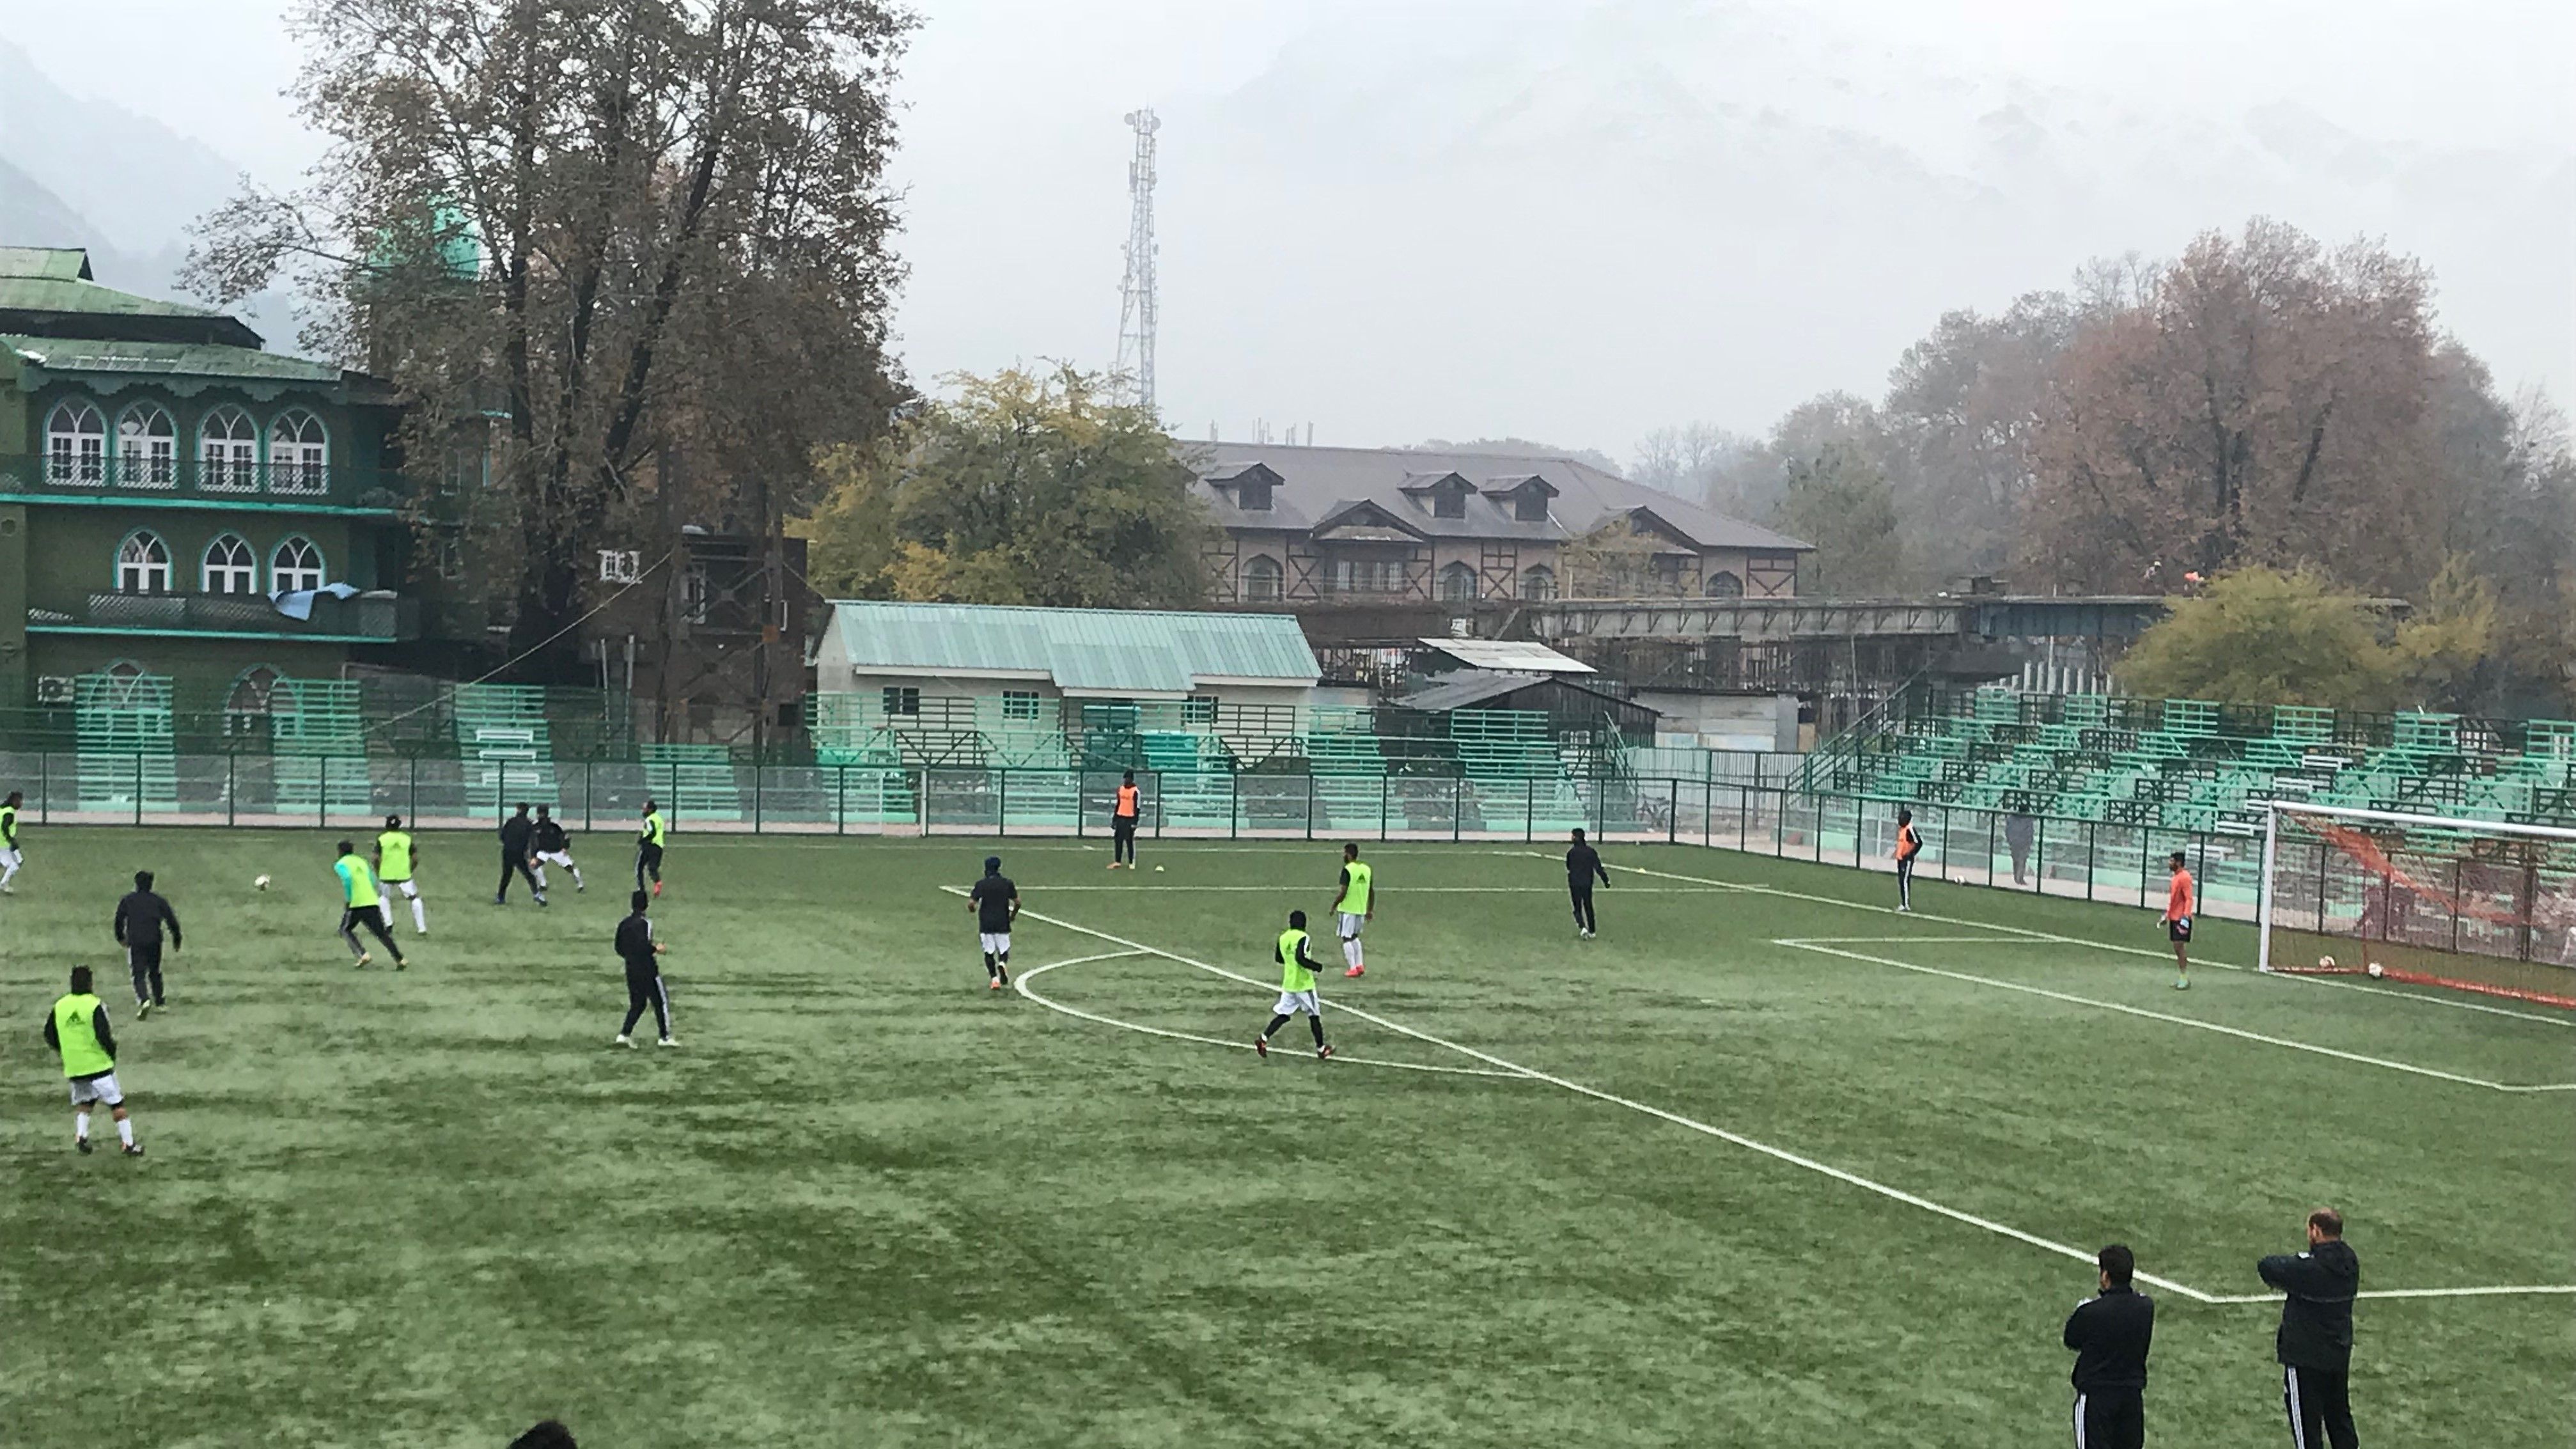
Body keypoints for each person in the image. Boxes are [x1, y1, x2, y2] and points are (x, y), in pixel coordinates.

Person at [2259, 1208, 2361, 1449]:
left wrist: (2301, 1259)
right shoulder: (2350, 1262)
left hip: (2305, 1359)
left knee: (2306, 1430)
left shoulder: (2309, 1270)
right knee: (2340, 1420)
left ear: (2316, 1230)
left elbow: (2267, 1266)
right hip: (2337, 1355)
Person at [2064, 1242, 2155, 1449]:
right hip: (2131, 1398)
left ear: (2105, 1276)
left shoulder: (2091, 1312)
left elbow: (2071, 1338)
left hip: (2097, 1400)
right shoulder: (2145, 1307)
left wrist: (2083, 1310)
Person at [43, 966, 141, 1155]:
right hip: (98, 1064)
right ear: (90, 982)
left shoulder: (60, 1006)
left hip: (75, 1066)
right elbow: (104, 1034)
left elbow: (49, 1034)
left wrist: (64, 1052)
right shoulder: (94, 1005)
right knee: (117, 1105)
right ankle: (128, 1144)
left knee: (86, 1102)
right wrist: (111, 1052)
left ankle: (81, 1137)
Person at [1253, 909, 1332, 1060]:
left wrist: (1291, 963)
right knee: (1314, 1016)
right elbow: (1300, 958)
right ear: (1304, 924)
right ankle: (1321, 1049)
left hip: (1289, 984)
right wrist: (1317, 966)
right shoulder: (1304, 937)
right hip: (1304, 985)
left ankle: (1263, 1039)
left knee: (1283, 1015)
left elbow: (1279, 958)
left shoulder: (1283, 938)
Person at [113, 869, 183, 1017]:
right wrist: (177, 939)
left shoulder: (128, 900)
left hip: (136, 940)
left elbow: (119, 920)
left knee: (138, 973)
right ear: (151, 885)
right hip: (154, 940)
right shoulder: (158, 901)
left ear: (136, 884)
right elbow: (172, 921)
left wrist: (121, 937)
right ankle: (160, 1002)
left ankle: (144, 999)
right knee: (155, 971)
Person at [614, 889, 675, 1047]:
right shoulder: (645, 924)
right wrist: (656, 949)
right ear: (646, 905)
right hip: (647, 969)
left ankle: (624, 1034)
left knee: (638, 1004)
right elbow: (643, 945)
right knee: (660, 1002)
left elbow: (618, 947)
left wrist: (630, 957)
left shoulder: (624, 924)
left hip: (630, 969)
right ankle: (665, 1037)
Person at [334, 840, 407, 969]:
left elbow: (347, 879)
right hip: (372, 901)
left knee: (345, 930)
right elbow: (372, 878)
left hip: (357, 903)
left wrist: (349, 899)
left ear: (340, 852)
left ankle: (362, 954)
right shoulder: (361, 861)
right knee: (381, 933)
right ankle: (400, 959)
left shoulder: (341, 864)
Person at [969, 856, 1019, 990]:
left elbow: (972, 903)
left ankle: (994, 979)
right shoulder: (1007, 883)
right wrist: (1013, 915)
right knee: (1004, 949)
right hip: (1002, 920)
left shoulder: (981, 884)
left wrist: (972, 909)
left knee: (989, 952)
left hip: (986, 922)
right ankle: (1002, 963)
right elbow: (1018, 902)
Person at [375, 814, 428, 935]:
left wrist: (378, 871)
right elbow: (415, 859)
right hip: (404, 875)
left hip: (386, 874)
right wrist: (410, 870)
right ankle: (422, 928)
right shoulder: (407, 839)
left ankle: (388, 925)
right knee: (414, 898)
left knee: (383, 898)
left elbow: (375, 858)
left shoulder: (382, 839)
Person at [1332, 842, 1374, 978]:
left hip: (1349, 909)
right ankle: (1360, 965)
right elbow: (1371, 891)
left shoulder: (1347, 870)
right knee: (1355, 937)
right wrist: (1370, 910)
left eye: (1344, 853)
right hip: (1361, 910)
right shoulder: (1366, 869)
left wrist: (1334, 905)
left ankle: (1352, 968)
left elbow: (1343, 892)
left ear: (1349, 855)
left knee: (1346, 938)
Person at [496, 803, 547, 907]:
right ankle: (537, 894)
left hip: (507, 852)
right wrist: (533, 856)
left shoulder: (510, 822)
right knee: (529, 875)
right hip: (519, 853)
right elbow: (533, 842)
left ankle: (501, 897)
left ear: (518, 810)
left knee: (506, 875)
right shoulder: (529, 824)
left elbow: (502, 836)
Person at [531, 803, 584, 892]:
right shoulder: (537, 827)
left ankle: (580, 884)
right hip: (543, 852)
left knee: (570, 867)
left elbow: (565, 837)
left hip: (557, 851)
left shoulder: (553, 826)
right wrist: (533, 855)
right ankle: (543, 885)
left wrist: (565, 847)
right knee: (535, 865)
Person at [1566, 827, 1609, 938]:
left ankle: (1582, 927)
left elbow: (1569, 866)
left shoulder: (1571, 853)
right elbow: (1598, 868)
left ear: (1576, 837)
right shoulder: (1591, 852)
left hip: (1574, 883)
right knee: (1588, 905)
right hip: (1587, 882)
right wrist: (1606, 880)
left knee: (1577, 907)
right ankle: (1592, 930)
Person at [2162, 852, 2194, 991]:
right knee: (2177, 947)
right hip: (2175, 917)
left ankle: (2184, 979)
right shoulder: (2175, 878)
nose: (2170, 863)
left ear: (2179, 863)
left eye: (2172, 861)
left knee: (2179, 946)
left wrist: (2186, 916)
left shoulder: (2185, 877)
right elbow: (2174, 900)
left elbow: (2189, 898)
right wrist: (2167, 916)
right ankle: (2183, 977)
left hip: (2182, 919)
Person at [1109, 771, 1141, 870]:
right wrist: (1114, 819)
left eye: (1128, 779)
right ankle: (1117, 861)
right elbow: (1118, 804)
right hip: (1120, 817)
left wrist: (1135, 822)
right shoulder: (1121, 789)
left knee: (1129, 841)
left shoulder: (1136, 791)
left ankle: (1131, 862)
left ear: (1131, 780)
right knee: (1118, 840)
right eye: (1125, 778)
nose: (1126, 781)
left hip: (1130, 818)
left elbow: (1137, 807)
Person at [636, 799, 667, 896]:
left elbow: (652, 832)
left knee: (640, 867)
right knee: (653, 868)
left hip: (649, 846)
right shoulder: (659, 818)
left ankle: (641, 888)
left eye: (645, 809)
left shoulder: (649, 820)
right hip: (659, 846)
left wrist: (643, 840)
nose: (643, 811)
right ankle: (658, 882)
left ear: (650, 809)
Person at [1894, 807, 1923, 912]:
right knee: (1901, 881)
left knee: (1905, 881)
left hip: (1907, 860)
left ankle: (1906, 905)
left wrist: (1910, 854)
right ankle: (1903, 903)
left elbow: (1919, 842)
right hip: (1901, 859)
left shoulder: (1909, 829)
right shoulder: (1902, 829)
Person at [1, 787, 24, 893]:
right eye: (19, 801)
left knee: (14, 862)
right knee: (16, 863)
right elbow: (4, 827)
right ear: (14, 800)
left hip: (4, 842)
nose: (21, 803)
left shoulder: (2, 809)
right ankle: (3, 884)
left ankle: (4, 883)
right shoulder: (9, 812)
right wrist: (11, 840)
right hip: (4, 843)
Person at [2006, 811, 2037, 886]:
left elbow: (2030, 832)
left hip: (2018, 843)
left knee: (2019, 860)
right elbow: (2030, 832)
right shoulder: (2028, 820)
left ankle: (2019, 877)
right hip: (2019, 843)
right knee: (2020, 860)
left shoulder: (2012, 819)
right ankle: (2018, 877)